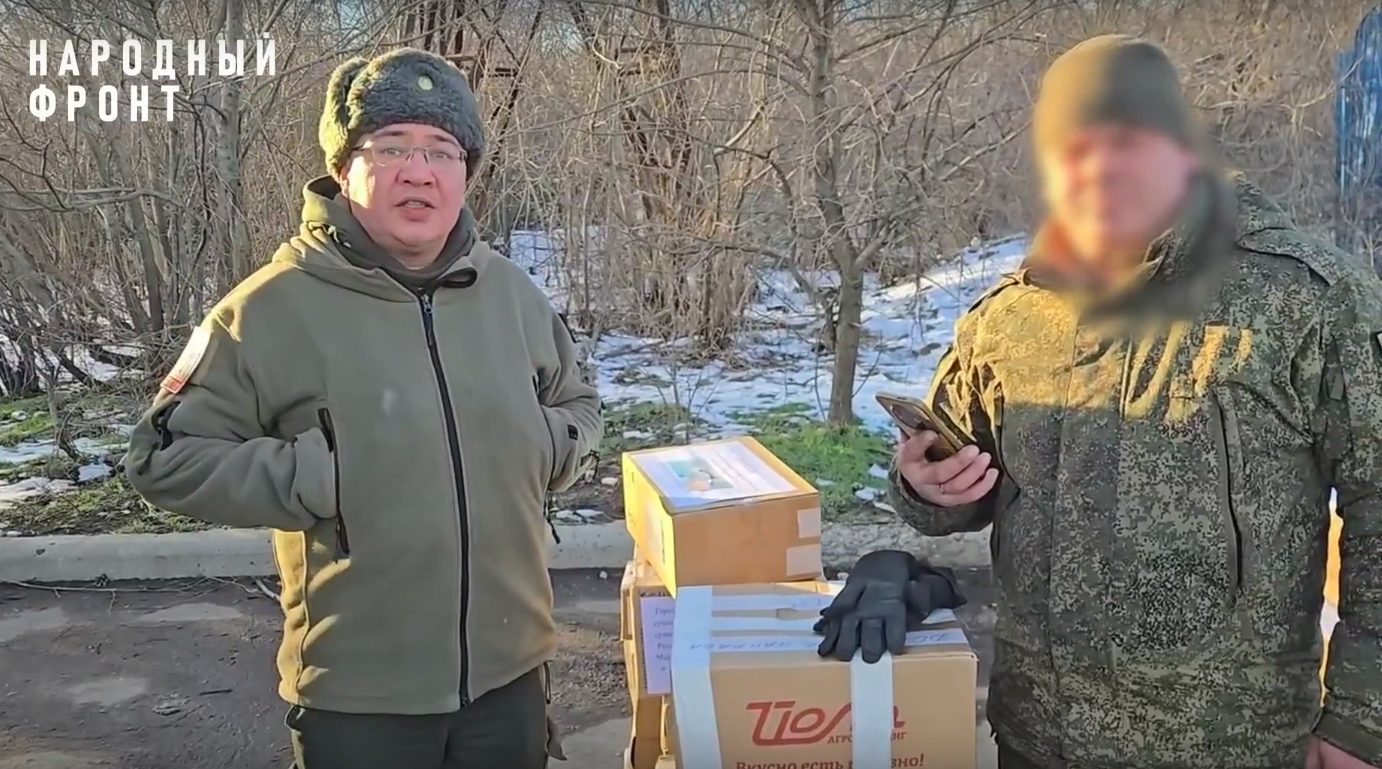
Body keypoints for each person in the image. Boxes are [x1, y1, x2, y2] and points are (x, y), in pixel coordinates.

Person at [815, 35, 1382, 769]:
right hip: (1036, 738)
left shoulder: (1309, 301)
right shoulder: (1013, 314)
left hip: (1229, 745)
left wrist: (1360, 722)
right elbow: (952, 483)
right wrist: (925, 484)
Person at [123, 47, 603, 769]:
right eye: (392, 147)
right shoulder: (268, 308)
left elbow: (578, 402)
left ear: (465, 172)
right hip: (360, 700)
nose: (419, 171)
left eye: (442, 151)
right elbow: (163, 457)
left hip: (511, 679)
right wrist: (321, 476)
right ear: (344, 167)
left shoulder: (511, 293)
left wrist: (543, 445)